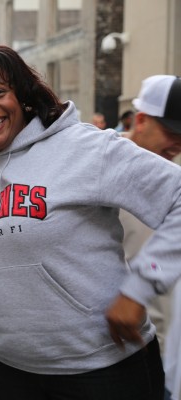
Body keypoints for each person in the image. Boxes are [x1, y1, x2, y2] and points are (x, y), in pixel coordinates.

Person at [0, 45, 181, 400]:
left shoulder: (85, 148)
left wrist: (140, 287)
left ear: (22, 95)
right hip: (7, 370)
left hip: (101, 372)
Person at [120, 75, 181, 400]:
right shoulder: (100, 166)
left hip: (163, 347)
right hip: (120, 347)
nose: (178, 144)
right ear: (141, 120)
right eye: (172, 132)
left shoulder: (172, 178)